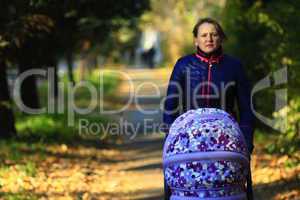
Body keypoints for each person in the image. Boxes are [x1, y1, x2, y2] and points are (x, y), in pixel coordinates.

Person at [161, 18, 255, 199]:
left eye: (214, 34)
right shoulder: (183, 65)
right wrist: (169, 140)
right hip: (187, 141)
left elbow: (246, 108)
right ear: (196, 39)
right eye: (204, 35)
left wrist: (246, 141)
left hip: (226, 140)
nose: (209, 38)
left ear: (221, 38)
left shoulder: (234, 66)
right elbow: (170, 107)